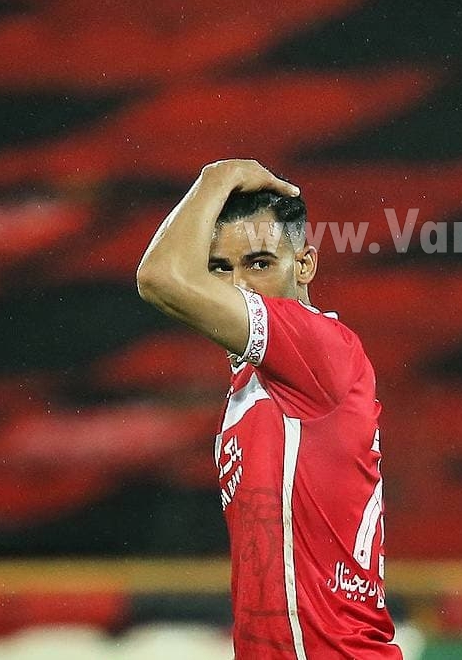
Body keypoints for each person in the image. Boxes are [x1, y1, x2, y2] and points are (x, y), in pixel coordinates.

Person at [136, 159, 401, 659]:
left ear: (304, 265)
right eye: (220, 268)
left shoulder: (320, 348)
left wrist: (217, 177)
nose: (236, 285)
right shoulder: (253, 387)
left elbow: (160, 278)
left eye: (259, 264)